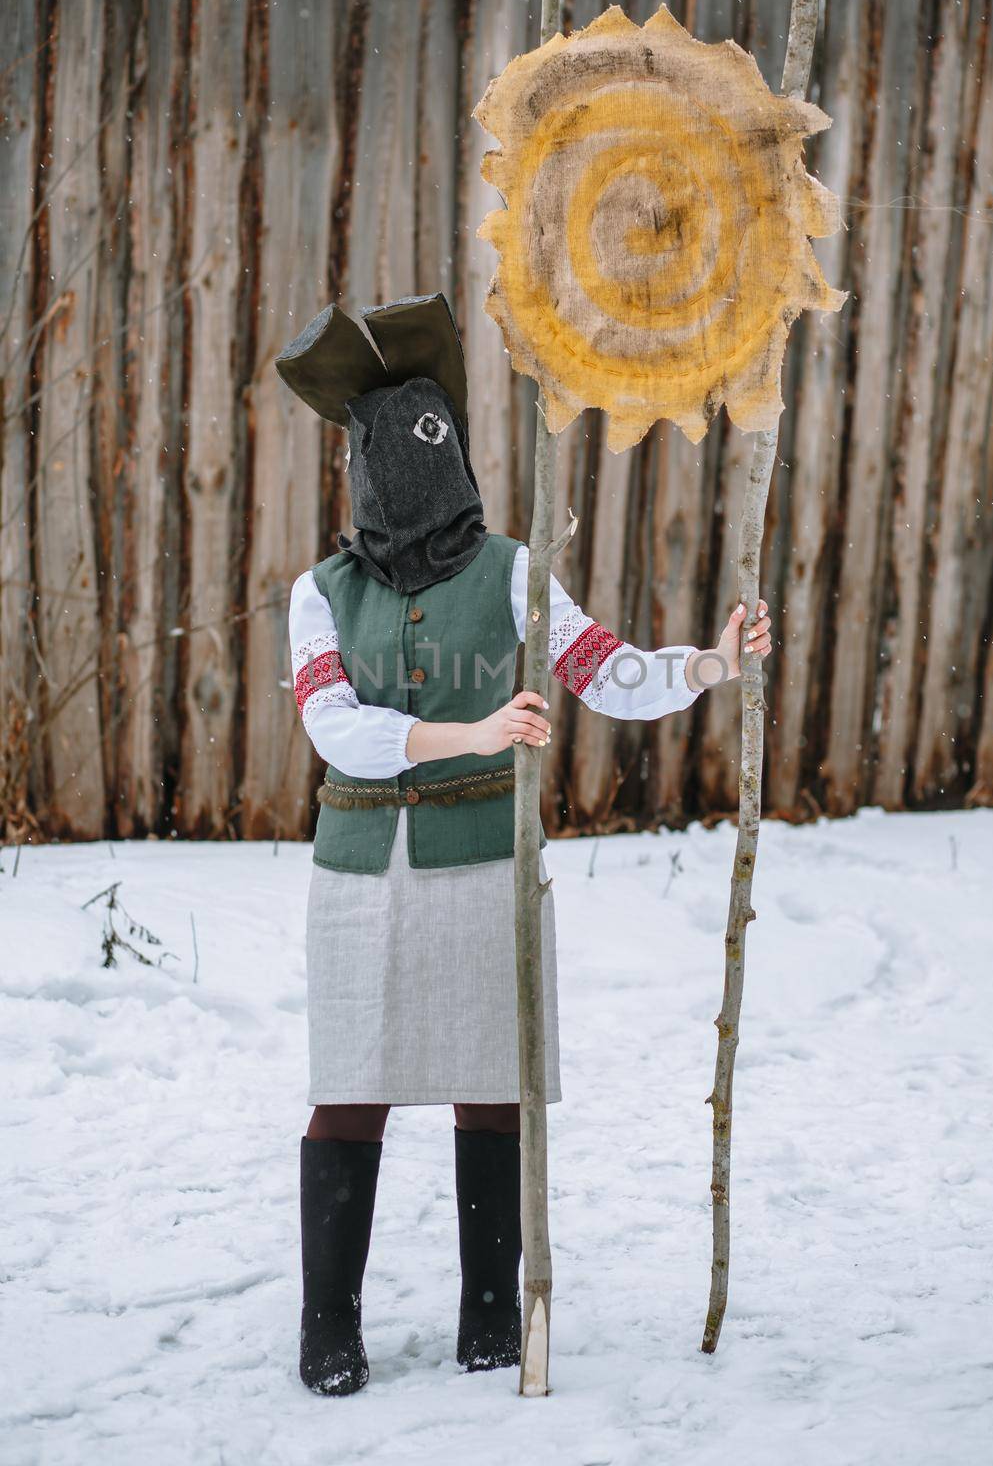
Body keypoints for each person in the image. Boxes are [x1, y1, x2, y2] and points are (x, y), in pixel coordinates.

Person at [278, 293, 772, 1395]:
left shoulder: (506, 569)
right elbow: (335, 730)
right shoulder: (321, 595)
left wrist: (706, 666)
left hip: (481, 867)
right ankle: (327, 1321)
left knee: (491, 1084)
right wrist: (469, 730)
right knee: (349, 1083)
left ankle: (493, 1314)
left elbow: (602, 665)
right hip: (359, 873)